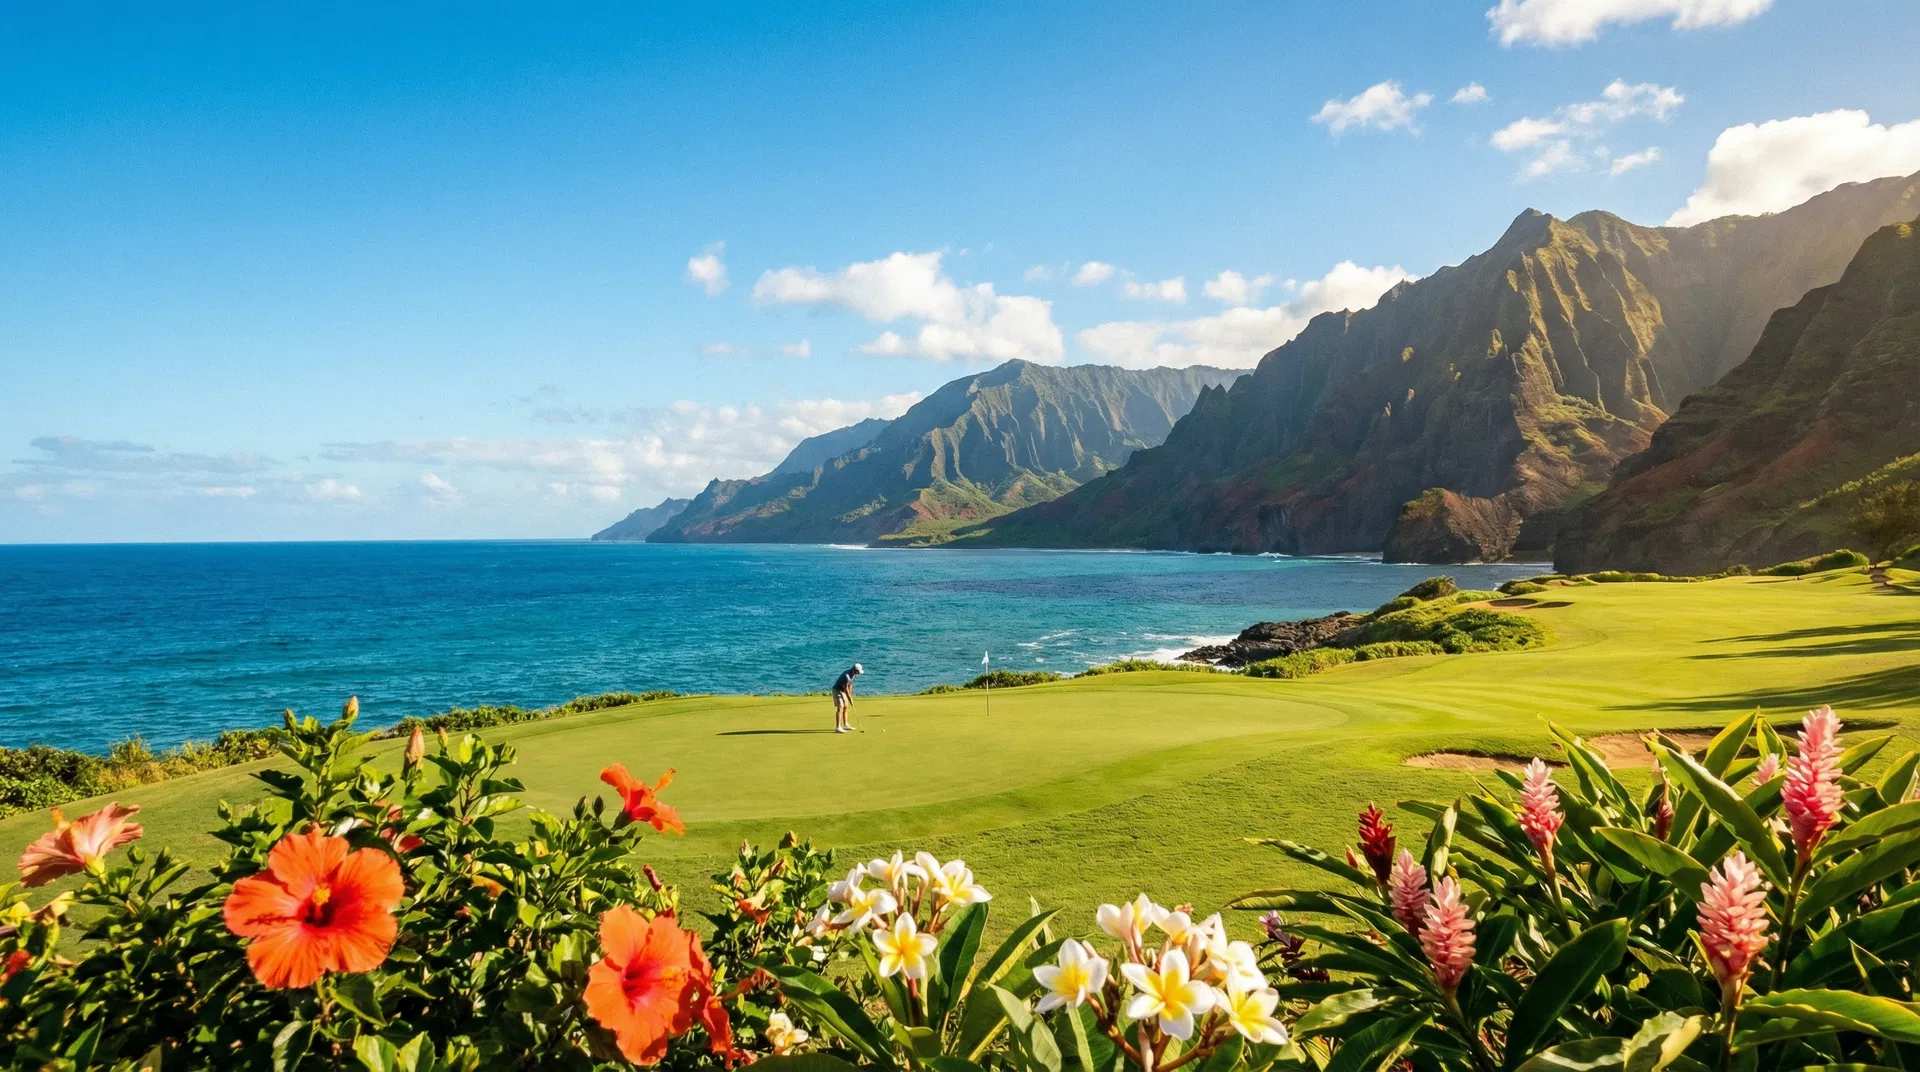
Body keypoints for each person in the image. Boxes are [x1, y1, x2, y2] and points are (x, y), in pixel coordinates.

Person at [832, 663, 863, 733]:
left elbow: (850, 685)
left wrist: (850, 696)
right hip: (837, 690)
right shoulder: (846, 676)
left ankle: (845, 724)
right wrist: (849, 698)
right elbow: (846, 688)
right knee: (840, 707)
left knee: (846, 706)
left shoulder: (853, 675)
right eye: (858, 672)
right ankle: (838, 727)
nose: (859, 673)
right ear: (855, 670)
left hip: (843, 691)